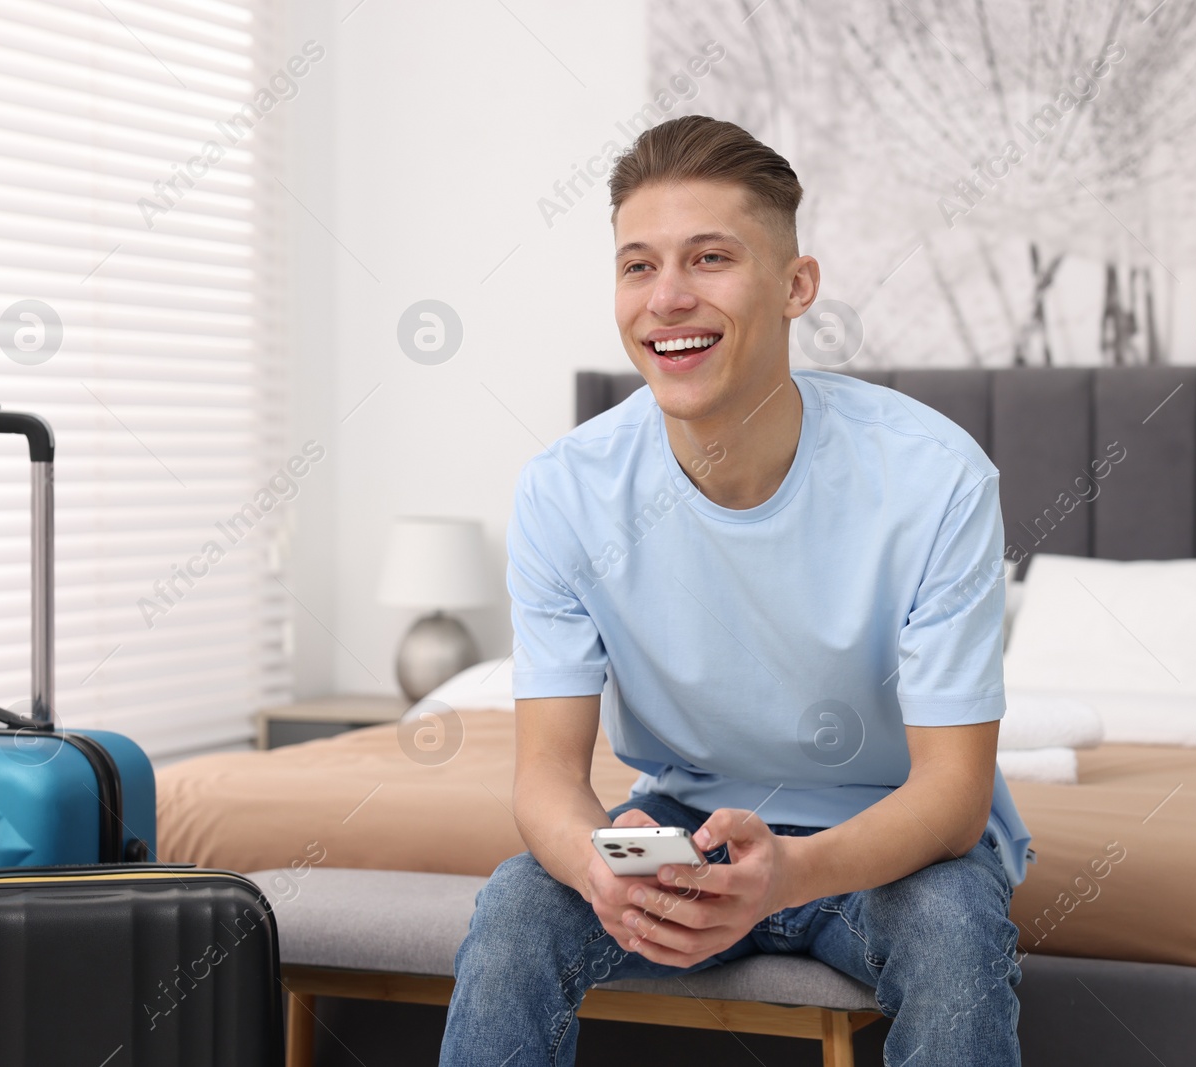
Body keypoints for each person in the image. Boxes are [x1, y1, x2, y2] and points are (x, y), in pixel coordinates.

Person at [440, 114, 1031, 1067]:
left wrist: (790, 871)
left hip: (881, 846)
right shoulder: (567, 488)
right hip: (684, 837)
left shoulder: (934, 478)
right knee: (518, 902)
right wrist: (604, 858)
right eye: (638, 266)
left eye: (709, 258)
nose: (667, 297)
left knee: (954, 922)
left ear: (796, 286)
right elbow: (547, 776)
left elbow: (955, 797)